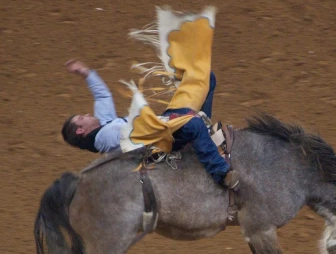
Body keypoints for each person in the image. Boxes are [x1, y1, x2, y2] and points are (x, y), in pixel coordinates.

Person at [61, 60, 238, 190]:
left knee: (206, 78)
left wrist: (85, 73)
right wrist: (176, 120)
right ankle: (221, 174)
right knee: (194, 125)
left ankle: (202, 128)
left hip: (165, 124)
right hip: (162, 140)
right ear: (80, 130)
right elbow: (145, 133)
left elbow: (102, 96)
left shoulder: (103, 125)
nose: (85, 115)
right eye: (81, 118)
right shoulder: (106, 136)